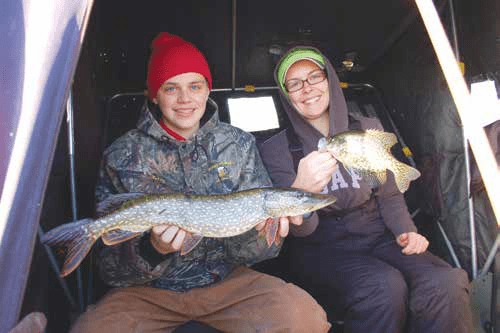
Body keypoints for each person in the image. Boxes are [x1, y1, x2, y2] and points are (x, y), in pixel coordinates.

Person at [69, 34, 330, 333]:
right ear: (154, 95)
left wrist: (261, 234)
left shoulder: (239, 144)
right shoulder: (120, 155)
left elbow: (264, 254)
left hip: (227, 283)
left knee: (306, 320)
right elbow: (108, 269)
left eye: (195, 86)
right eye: (171, 88)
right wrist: (153, 249)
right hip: (147, 291)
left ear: (208, 89)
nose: (185, 99)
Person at [258, 46, 473, 333]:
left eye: (314, 77)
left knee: (446, 281)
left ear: (330, 80)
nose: (307, 88)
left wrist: (405, 231)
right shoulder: (276, 150)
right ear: (286, 94)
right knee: (383, 286)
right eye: (294, 84)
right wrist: (303, 188)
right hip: (322, 248)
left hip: (377, 234)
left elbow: (389, 194)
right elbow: (301, 231)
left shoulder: (366, 128)